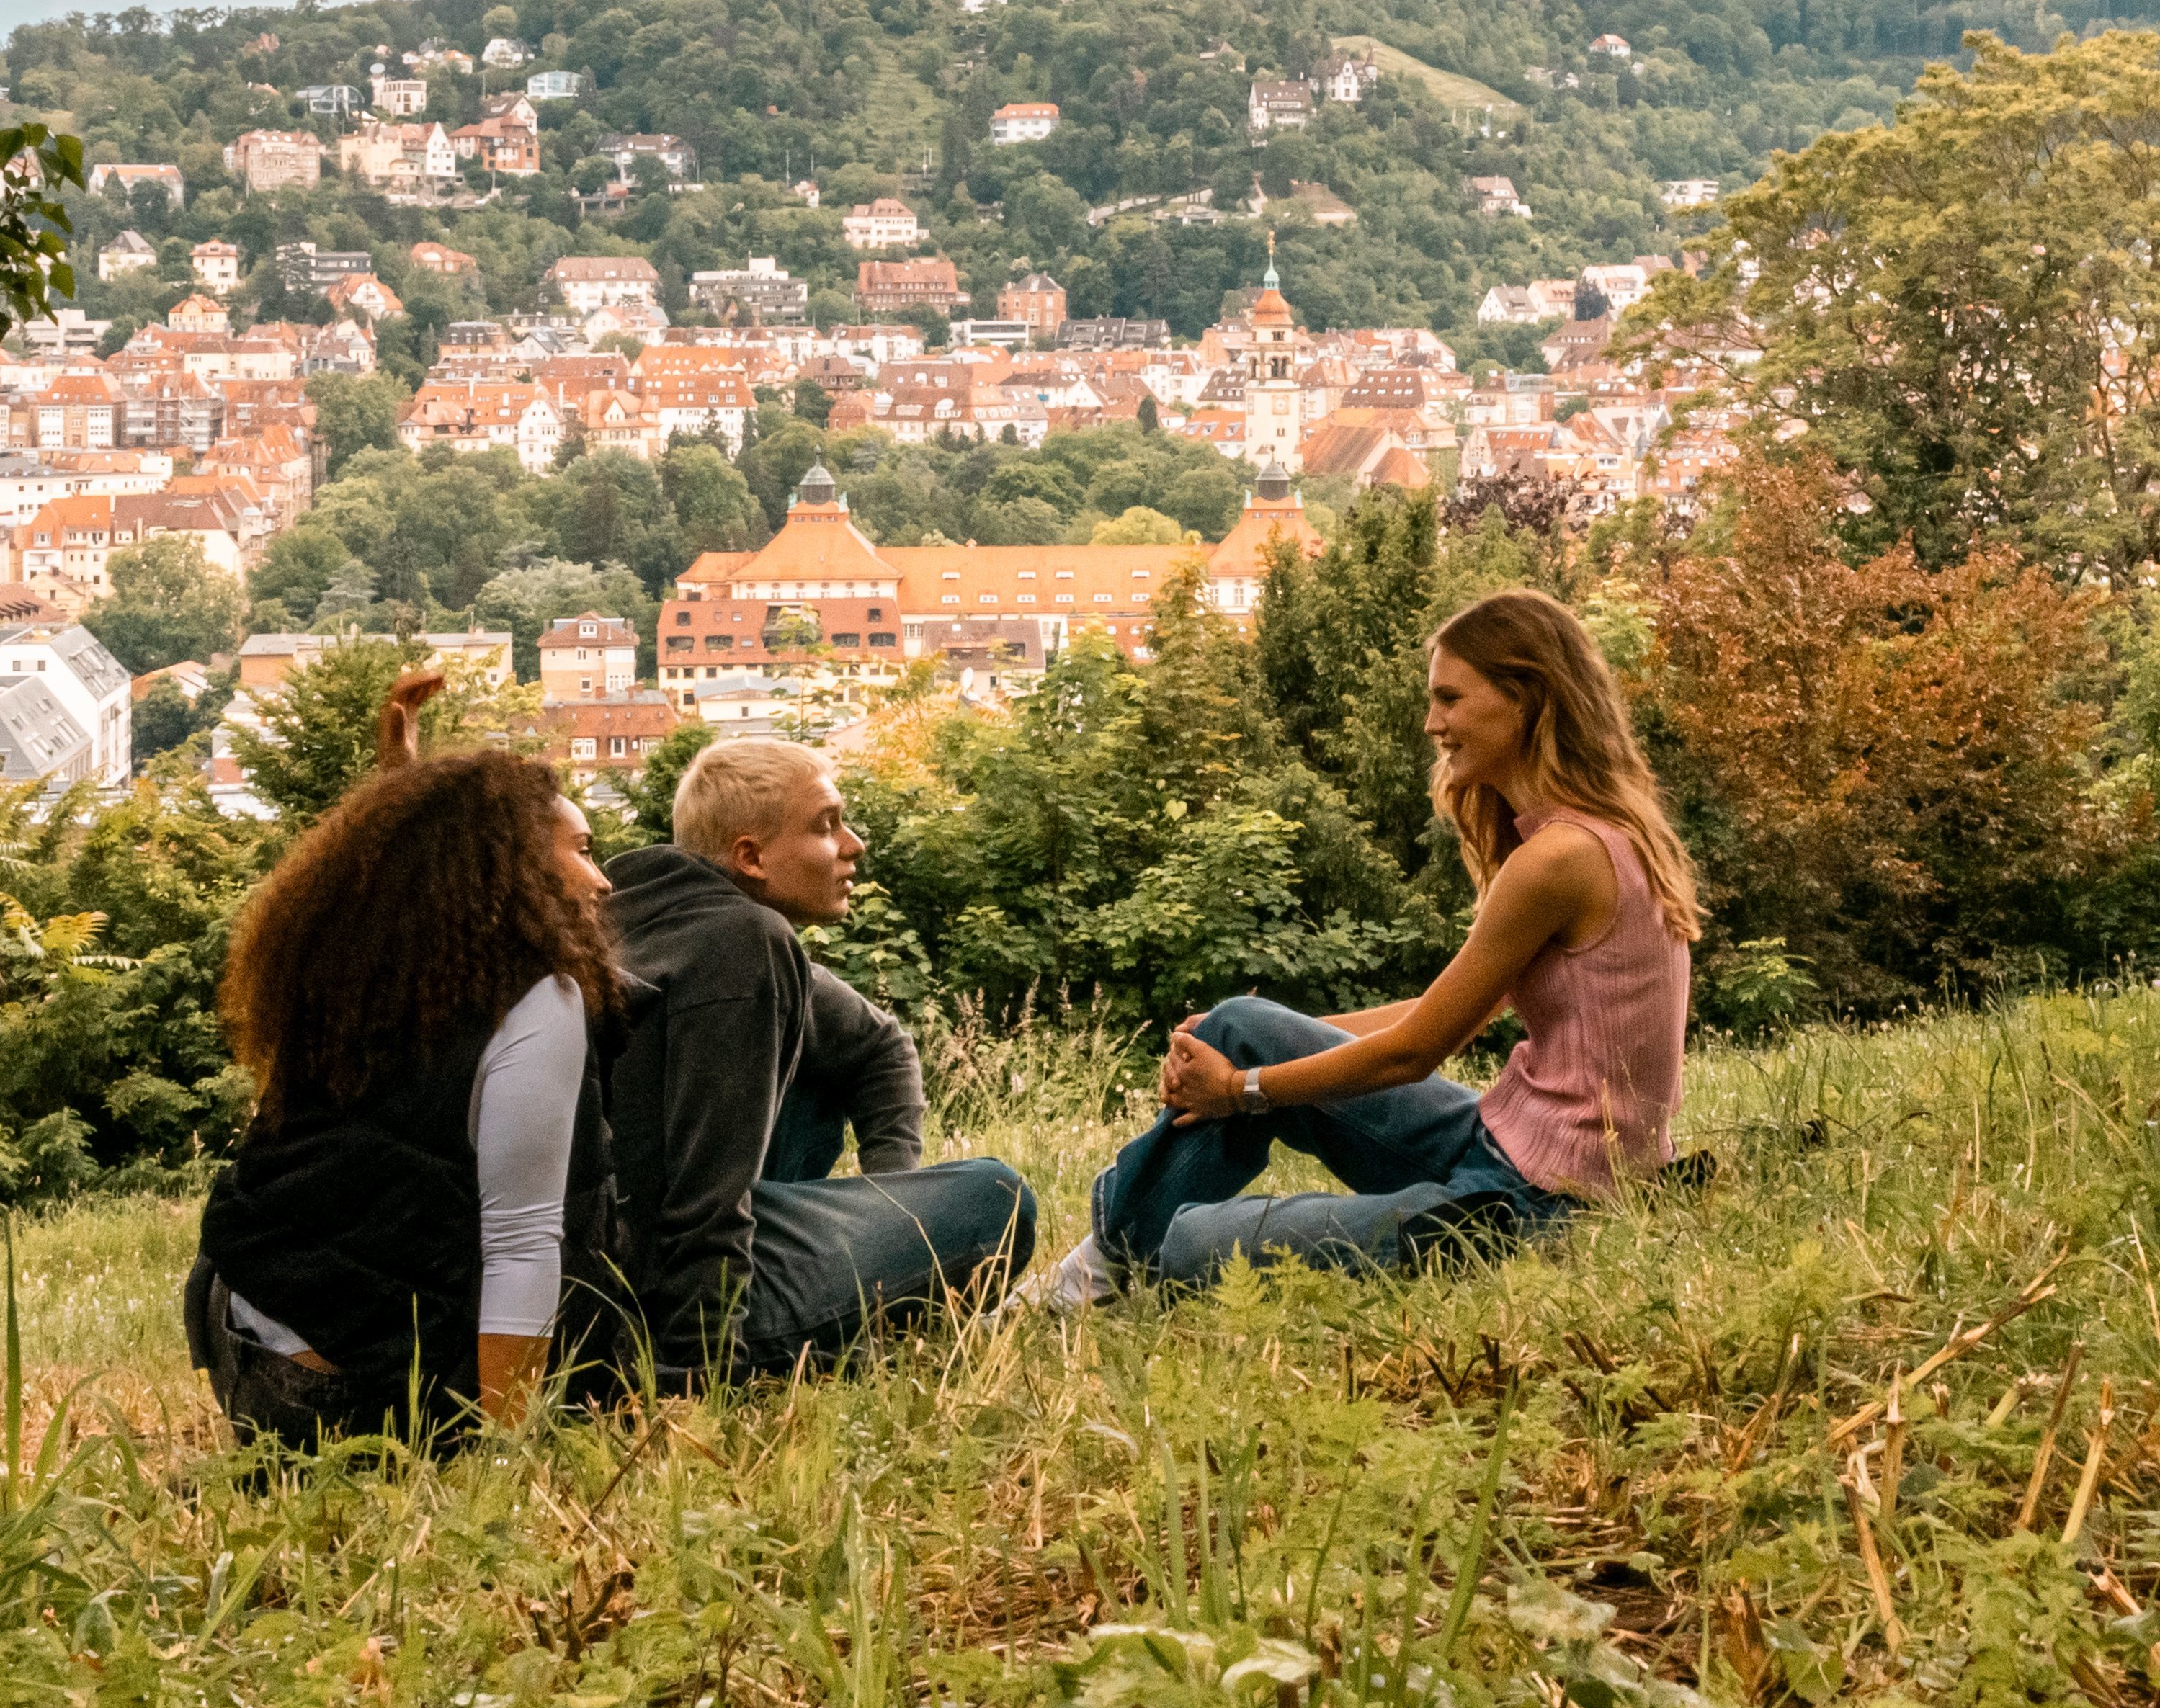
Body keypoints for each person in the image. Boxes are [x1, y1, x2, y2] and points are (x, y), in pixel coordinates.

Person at [1039, 586, 1701, 1296]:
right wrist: (1250, 1050)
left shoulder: (1558, 858)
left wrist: (1242, 1088)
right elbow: (1449, 1014)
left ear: (1525, 698)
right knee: (1236, 1024)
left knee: (1195, 1246)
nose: (1431, 722)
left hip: (1536, 1207)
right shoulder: (1594, 836)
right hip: (1498, 1147)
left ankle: (1116, 1262)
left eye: (1449, 698)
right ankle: (1102, 1267)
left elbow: (1414, 1052)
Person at [180, 713, 622, 1441]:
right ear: (511, 868)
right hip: (343, 1388)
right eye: (579, 851)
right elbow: (521, 1244)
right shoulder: (539, 997)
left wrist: (403, 789)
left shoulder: (355, 969)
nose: (601, 879)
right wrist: (507, 1453)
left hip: (241, 1336)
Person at [582, 734, 1039, 1380]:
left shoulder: (645, 919)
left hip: (614, 1272)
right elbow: (702, 1195)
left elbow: (879, 1048)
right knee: (997, 1197)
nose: (854, 845)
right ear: (752, 856)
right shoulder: (745, 943)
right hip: (665, 1297)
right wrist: (703, 1371)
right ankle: (795, 1328)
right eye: (827, 826)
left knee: (827, 1073)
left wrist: (891, 1192)